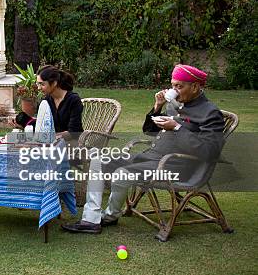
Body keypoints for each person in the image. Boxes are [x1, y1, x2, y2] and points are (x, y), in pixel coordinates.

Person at [61, 64, 225, 234]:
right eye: (173, 85)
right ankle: (91, 219)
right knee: (98, 160)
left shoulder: (210, 113)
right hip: (150, 158)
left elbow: (210, 151)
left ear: (195, 87)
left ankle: (110, 216)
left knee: (121, 173)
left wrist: (177, 127)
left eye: (179, 86)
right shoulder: (177, 104)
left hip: (176, 166)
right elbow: (149, 132)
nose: (174, 90)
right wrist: (157, 107)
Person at [35, 65, 83, 142]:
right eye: (38, 84)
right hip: (50, 144)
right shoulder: (46, 101)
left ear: (54, 83)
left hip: (71, 144)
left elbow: (74, 132)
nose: (39, 88)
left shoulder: (73, 100)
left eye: (42, 84)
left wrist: (51, 137)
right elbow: (42, 125)